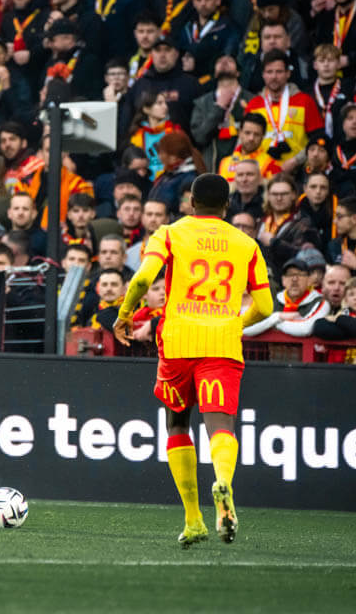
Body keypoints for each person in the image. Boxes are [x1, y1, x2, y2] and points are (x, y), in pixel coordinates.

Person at [113, 174, 273, 547]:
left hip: (177, 342)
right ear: (227, 205)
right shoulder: (246, 243)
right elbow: (266, 307)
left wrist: (124, 314)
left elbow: (143, 280)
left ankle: (193, 519)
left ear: (191, 202)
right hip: (222, 344)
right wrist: (235, 323)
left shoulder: (170, 233)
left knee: (177, 425)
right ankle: (223, 481)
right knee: (221, 426)